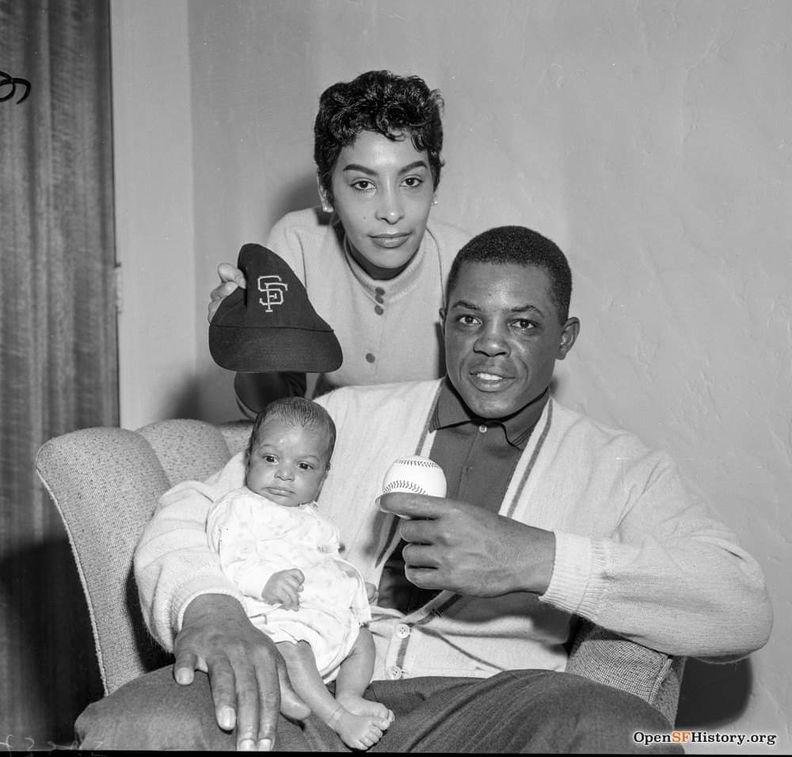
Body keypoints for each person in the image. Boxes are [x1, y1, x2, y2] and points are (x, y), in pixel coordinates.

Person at [78, 226, 773, 752]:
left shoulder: (624, 467)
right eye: (470, 318)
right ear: (445, 326)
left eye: (524, 323)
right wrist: (209, 606)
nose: (491, 344)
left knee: (621, 731)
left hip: (489, 711)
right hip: (312, 689)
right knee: (141, 721)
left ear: (565, 337)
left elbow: (740, 604)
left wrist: (535, 559)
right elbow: (191, 508)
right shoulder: (347, 417)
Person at [207, 70, 471, 416]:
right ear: (327, 193)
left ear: (434, 184)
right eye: (363, 184)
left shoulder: (465, 265)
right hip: (331, 448)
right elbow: (273, 411)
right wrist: (252, 342)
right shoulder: (297, 243)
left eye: (410, 181)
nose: (391, 212)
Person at [206, 397, 393, 749]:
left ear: (324, 475)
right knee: (293, 650)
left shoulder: (313, 517)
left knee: (362, 639)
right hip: (275, 617)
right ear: (249, 457)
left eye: (304, 466)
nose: (284, 473)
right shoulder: (239, 507)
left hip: (322, 616)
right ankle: (338, 717)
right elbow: (231, 560)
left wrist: (351, 585)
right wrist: (267, 582)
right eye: (271, 458)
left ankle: (350, 694)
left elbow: (325, 562)